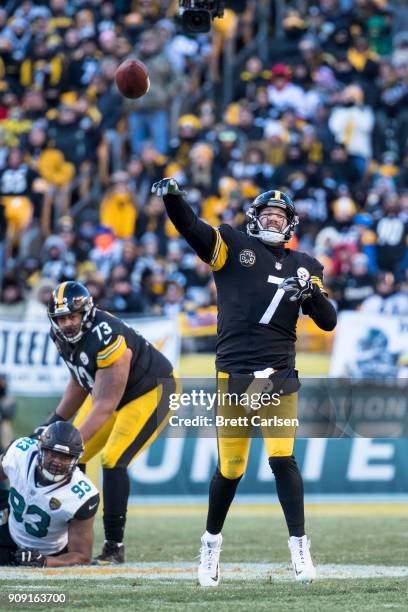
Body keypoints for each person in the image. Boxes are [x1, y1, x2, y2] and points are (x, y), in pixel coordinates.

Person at [152, 178, 337, 586]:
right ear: (254, 218)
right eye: (267, 213)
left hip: (279, 376)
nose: (273, 218)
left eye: (280, 214)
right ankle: (211, 543)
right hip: (234, 373)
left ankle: (300, 546)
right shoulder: (234, 247)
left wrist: (310, 293)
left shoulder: (306, 265)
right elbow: (192, 228)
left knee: (281, 458)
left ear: (291, 223)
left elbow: (328, 321)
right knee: (231, 468)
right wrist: (172, 198)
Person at [41, 280, 176, 564]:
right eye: (61, 318)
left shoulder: (106, 336)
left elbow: (104, 405)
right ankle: (71, 540)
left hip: (152, 391)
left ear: (86, 314)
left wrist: (65, 442)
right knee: (75, 459)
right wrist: (54, 421)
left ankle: (114, 545)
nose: (66, 323)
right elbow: (79, 382)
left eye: (72, 316)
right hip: (106, 392)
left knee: (112, 459)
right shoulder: (61, 337)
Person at [0, 422, 99, 567]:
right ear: (40, 449)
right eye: (52, 454)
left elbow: (82, 556)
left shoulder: (82, 496)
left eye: (65, 457)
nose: (57, 462)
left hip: (49, 551)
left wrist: (45, 561)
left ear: (76, 460)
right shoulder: (20, 453)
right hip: (10, 530)